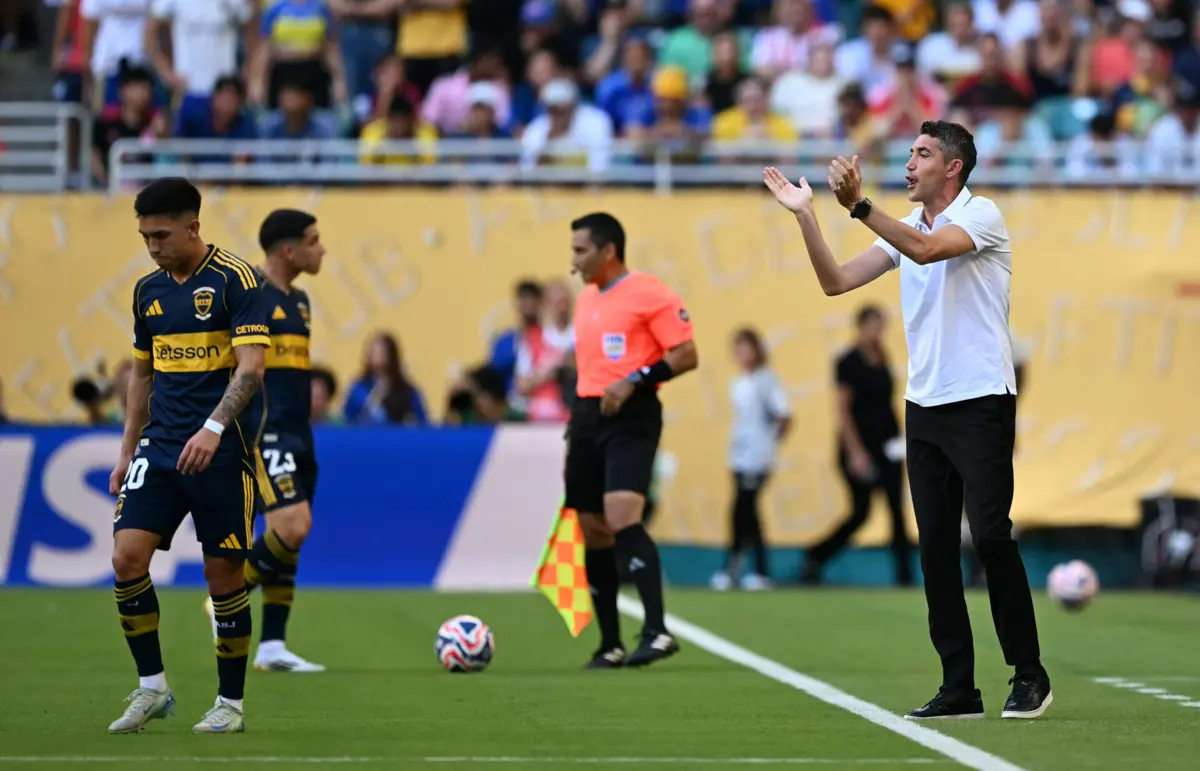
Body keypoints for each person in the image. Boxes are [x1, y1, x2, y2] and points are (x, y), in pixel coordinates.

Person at [762, 120, 1051, 720]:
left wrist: (860, 206)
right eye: (910, 153)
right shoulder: (902, 230)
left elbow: (927, 248)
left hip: (979, 400)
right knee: (936, 549)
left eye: (922, 154)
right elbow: (835, 282)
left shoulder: (981, 215)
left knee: (992, 535)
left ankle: (1029, 674)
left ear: (953, 167)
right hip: (923, 407)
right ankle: (959, 687)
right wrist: (807, 216)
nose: (910, 163)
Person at [108, 177, 269, 734]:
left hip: (222, 453)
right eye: (145, 236)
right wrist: (128, 449)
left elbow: (251, 368)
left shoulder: (237, 281)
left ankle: (231, 705)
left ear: (193, 225)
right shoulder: (146, 291)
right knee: (127, 558)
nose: (153, 246)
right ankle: (151, 688)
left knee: (222, 576)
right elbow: (142, 372)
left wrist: (214, 426)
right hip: (160, 447)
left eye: (162, 234)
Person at [566, 212, 699, 669]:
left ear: (608, 251)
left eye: (581, 250)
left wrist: (634, 380)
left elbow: (686, 354)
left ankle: (657, 631)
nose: (574, 260)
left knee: (622, 516)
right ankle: (609, 643)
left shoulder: (649, 293)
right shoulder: (586, 300)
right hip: (587, 416)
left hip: (632, 414)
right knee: (591, 526)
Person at [203, 209, 326, 673]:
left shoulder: (302, 301)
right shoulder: (250, 295)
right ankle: (224, 600)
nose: (322, 249)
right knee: (292, 527)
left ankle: (273, 645)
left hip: (299, 431)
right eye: (315, 241)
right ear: (289, 250)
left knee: (288, 537)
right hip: (264, 430)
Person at [801, 305, 913, 587]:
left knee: (896, 509)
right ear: (861, 326)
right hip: (860, 448)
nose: (878, 332)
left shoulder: (883, 358)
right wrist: (856, 452)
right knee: (861, 511)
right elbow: (843, 411)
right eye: (873, 325)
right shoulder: (848, 362)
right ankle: (817, 555)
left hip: (888, 445)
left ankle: (905, 576)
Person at [710, 327, 791, 592]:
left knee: (744, 510)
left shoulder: (766, 381)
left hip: (758, 457)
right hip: (739, 455)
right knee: (744, 513)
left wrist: (769, 445)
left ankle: (745, 568)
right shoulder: (738, 383)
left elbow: (784, 416)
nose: (742, 354)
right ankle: (749, 569)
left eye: (747, 348)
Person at [342, 332, 429, 425]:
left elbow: (422, 422)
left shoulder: (406, 391)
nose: (376, 355)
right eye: (373, 351)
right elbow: (346, 419)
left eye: (381, 351)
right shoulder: (359, 388)